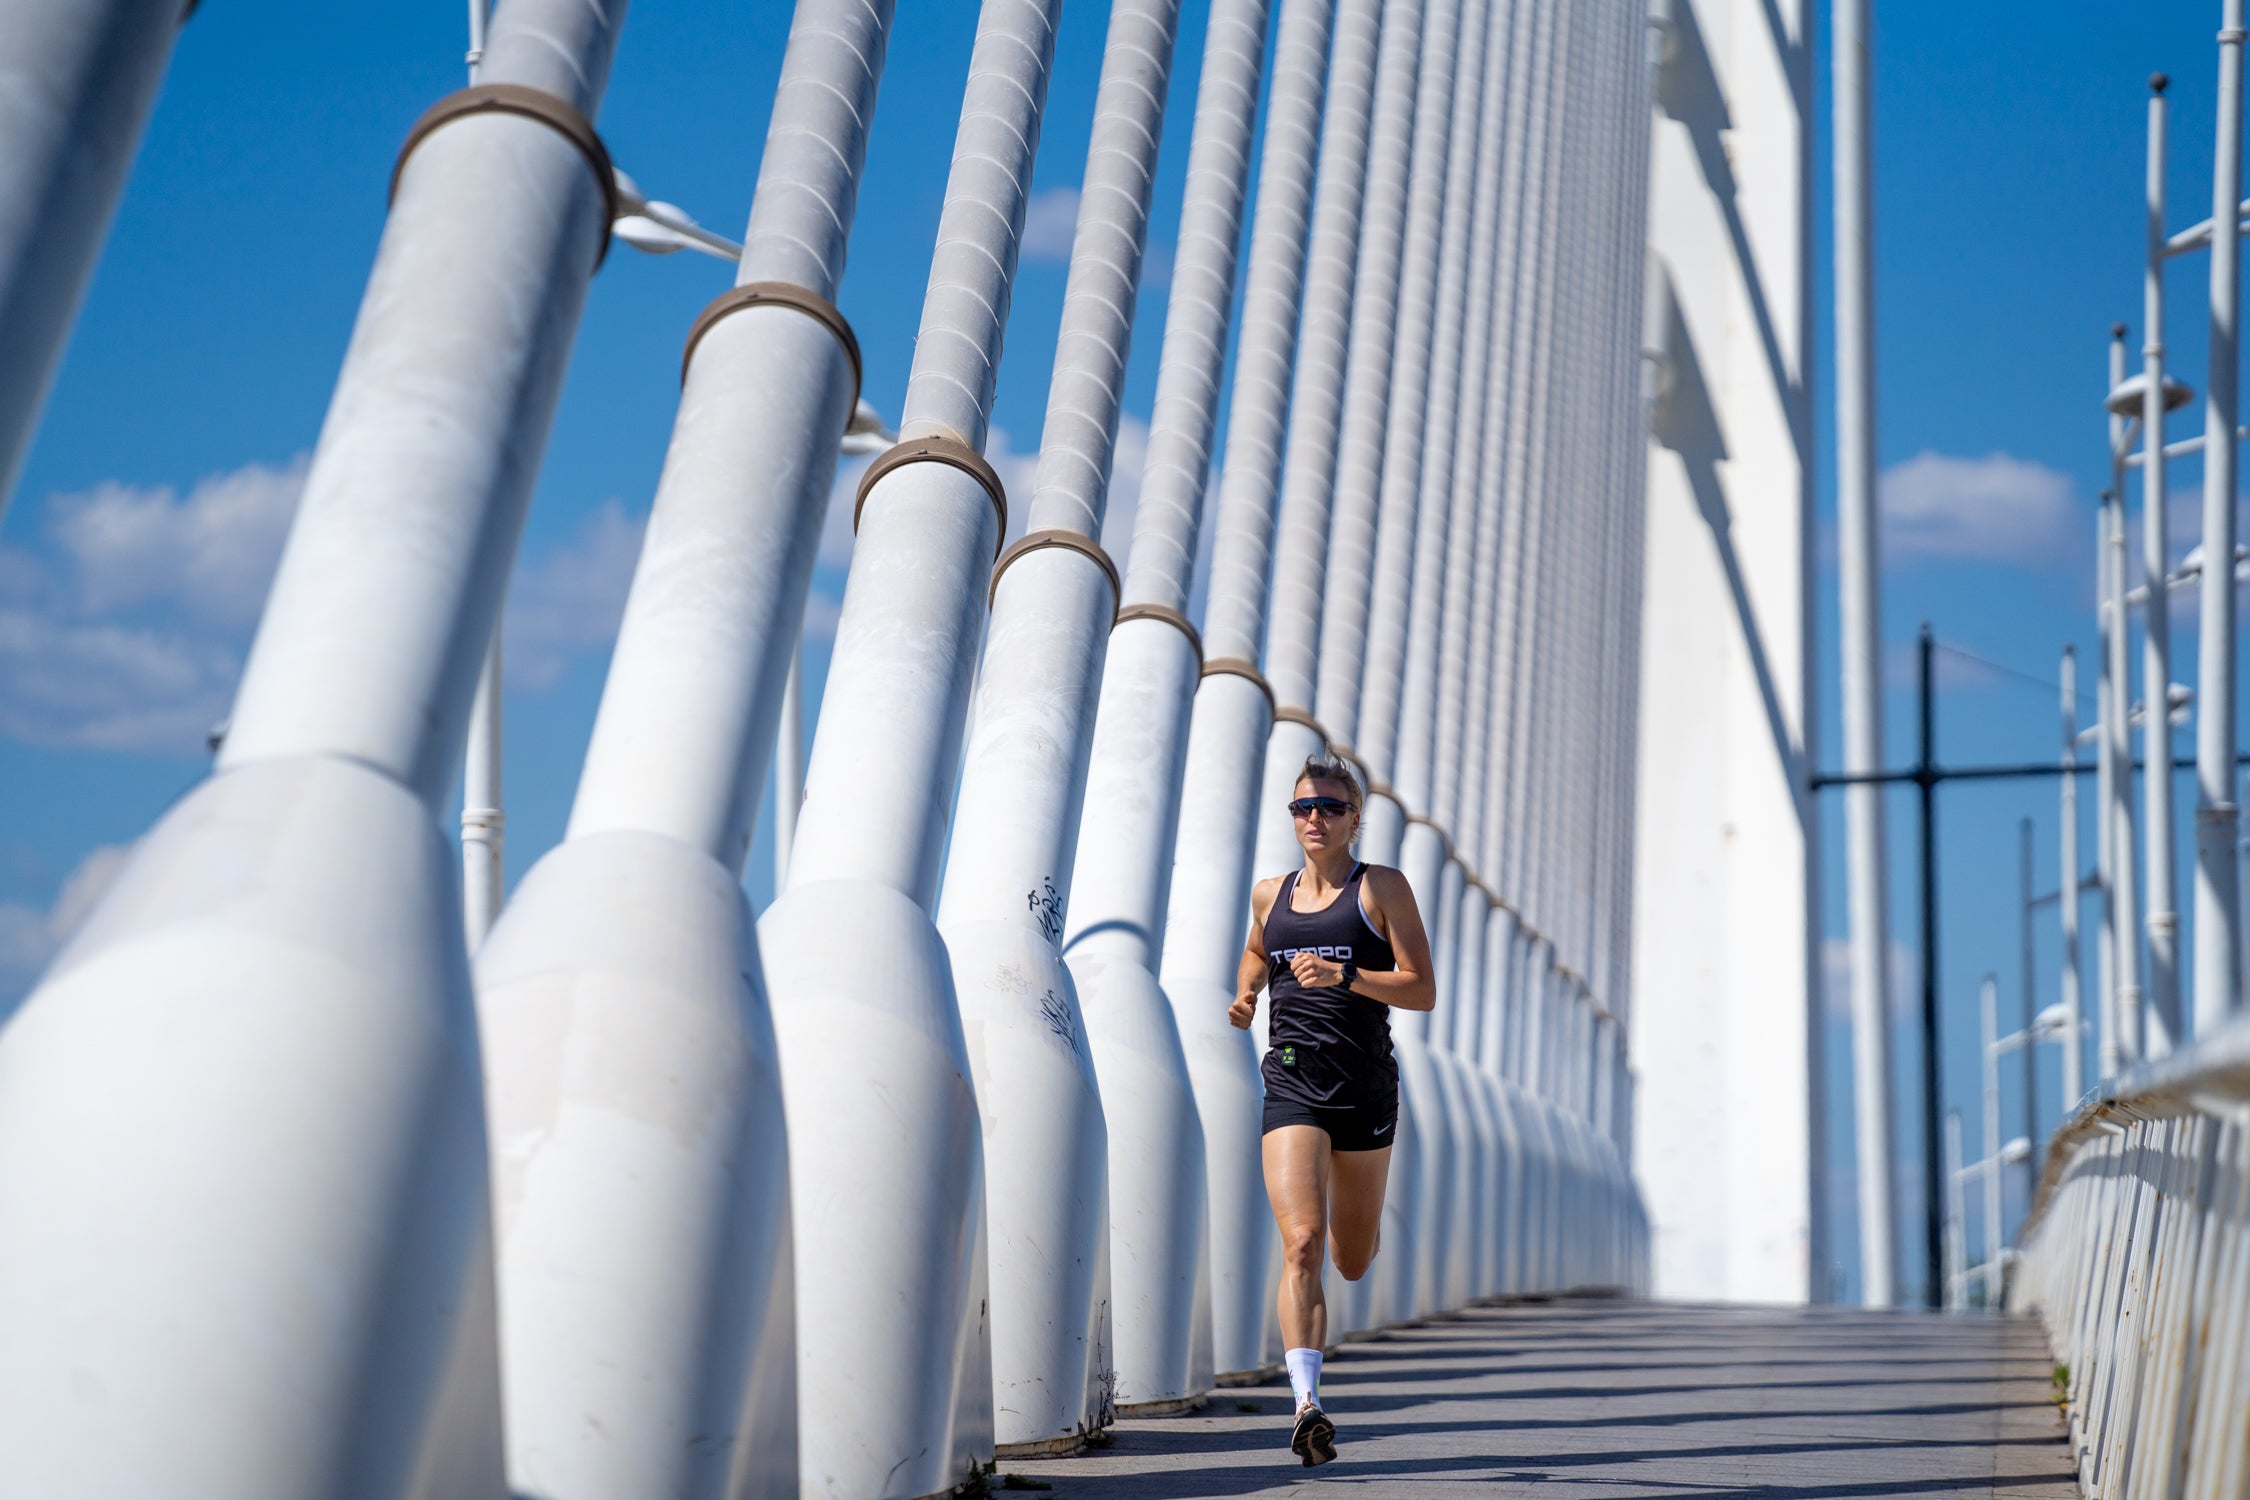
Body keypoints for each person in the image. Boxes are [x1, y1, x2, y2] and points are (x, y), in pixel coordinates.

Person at [1231, 751, 1434, 1467]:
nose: (1313, 818)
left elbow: (1420, 989)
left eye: (1328, 808)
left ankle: (1369, 1231)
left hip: (1364, 1090)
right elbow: (1260, 949)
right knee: (1301, 1243)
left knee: (1349, 1258)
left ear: (1354, 819)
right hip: (1291, 1082)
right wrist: (1247, 992)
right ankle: (1307, 1404)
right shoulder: (1269, 893)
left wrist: (1346, 974)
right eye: (1302, 808)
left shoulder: (1380, 888)